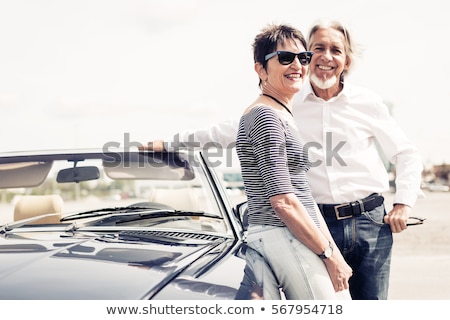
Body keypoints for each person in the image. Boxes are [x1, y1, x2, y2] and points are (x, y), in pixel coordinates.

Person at [142, 18, 423, 300]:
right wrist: (169, 143)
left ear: (347, 60)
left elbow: (405, 152)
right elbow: (226, 131)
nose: (326, 57)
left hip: (369, 222)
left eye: (335, 50)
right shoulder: (286, 102)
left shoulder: (367, 102)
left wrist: (403, 203)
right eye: (317, 49)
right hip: (312, 225)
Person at [236, 23, 352, 300]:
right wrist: (328, 254)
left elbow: (304, 196)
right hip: (283, 234)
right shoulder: (266, 117)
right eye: (285, 58)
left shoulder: (281, 114)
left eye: (303, 57)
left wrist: (332, 252)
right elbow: (283, 201)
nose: (297, 65)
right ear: (261, 69)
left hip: (298, 235)